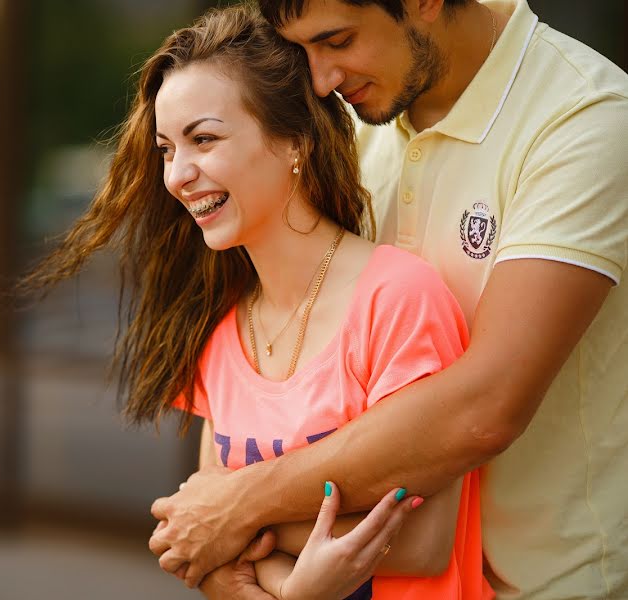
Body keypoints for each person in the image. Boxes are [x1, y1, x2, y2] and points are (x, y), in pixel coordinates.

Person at [148, 0, 628, 598]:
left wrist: (240, 508)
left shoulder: (584, 119)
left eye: (338, 41)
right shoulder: (354, 117)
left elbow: (486, 406)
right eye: (304, 53)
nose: (320, 80)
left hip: (553, 582)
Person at [21, 4, 496, 598]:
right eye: (168, 148)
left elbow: (425, 544)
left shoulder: (400, 300)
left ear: (294, 140)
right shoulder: (225, 327)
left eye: (204, 139)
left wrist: (241, 527)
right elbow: (198, 541)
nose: (177, 175)